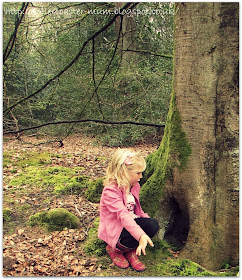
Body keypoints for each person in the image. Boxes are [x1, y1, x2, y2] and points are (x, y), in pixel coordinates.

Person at [98, 148, 159, 272]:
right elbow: (123, 215)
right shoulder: (110, 191)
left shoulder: (135, 186)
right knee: (133, 234)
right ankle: (115, 250)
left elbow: (137, 210)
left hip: (131, 223)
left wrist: (146, 223)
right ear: (124, 172)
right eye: (138, 173)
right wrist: (140, 235)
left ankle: (130, 250)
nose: (141, 176)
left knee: (152, 225)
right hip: (117, 229)